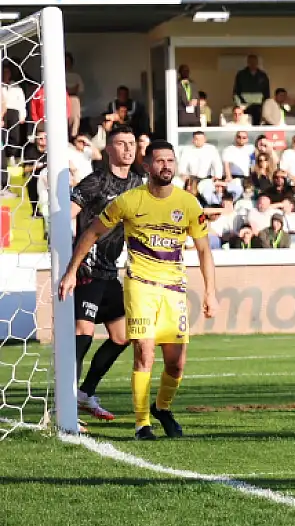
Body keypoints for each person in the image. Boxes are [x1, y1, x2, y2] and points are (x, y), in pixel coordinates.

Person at [57, 141, 217, 439]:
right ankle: (142, 423)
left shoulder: (188, 204)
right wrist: (70, 272)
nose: (166, 166)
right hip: (140, 286)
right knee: (144, 352)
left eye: (170, 160)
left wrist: (211, 293)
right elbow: (91, 232)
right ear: (147, 166)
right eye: (159, 161)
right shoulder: (129, 201)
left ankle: (162, 408)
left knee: (176, 362)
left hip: (175, 290)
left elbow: (205, 250)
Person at [67, 124, 145, 422]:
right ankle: (67, 401)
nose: (128, 149)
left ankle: (85, 393)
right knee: (83, 333)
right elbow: (67, 215)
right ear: (109, 149)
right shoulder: (95, 182)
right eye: (122, 143)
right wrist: (72, 260)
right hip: (87, 269)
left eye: (132, 144)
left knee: (122, 336)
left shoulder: (139, 183)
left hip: (110, 271)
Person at [233, 54, 269, 122]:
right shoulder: (241, 75)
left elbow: (266, 92)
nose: (253, 64)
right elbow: (236, 92)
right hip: (244, 106)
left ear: (257, 62)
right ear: (248, 62)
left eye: (254, 62)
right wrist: (239, 105)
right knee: (245, 125)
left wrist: (265, 107)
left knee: (257, 126)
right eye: (251, 62)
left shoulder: (262, 75)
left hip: (259, 106)